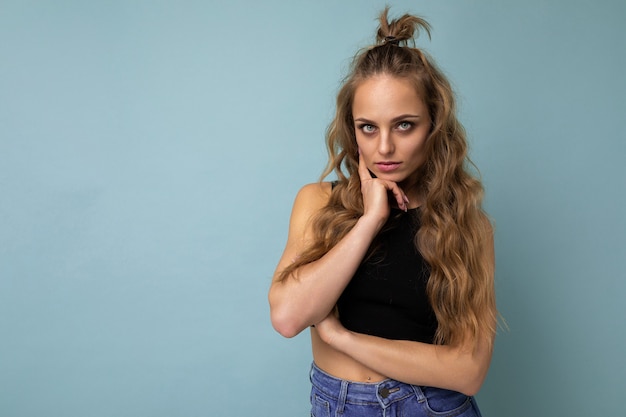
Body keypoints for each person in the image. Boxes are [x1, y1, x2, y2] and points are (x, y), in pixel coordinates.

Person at [269, 8, 497, 417]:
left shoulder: (467, 224)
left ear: (434, 126)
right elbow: (288, 316)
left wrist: (341, 338)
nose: (385, 148)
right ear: (351, 129)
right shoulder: (318, 202)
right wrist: (370, 220)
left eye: (405, 125)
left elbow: (468, 370)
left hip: (432, 408)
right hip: (338, 405)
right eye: (368, 127)